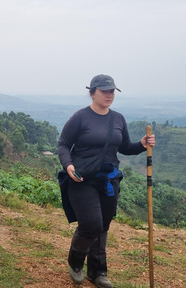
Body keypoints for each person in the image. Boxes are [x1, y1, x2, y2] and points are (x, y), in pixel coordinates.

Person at [57, 74, 156, 288]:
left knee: (103, 226)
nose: (109, 95)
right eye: (104, 91)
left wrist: (141, 143)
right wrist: (68, 165)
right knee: (91, 224)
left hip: (109, 181)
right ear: (92, 93)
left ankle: (98, 271)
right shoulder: (80, 117)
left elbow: (125, 147)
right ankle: (75, 262)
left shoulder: (118, 119)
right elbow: (63, 144)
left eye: (112, 91)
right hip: (82, 179)